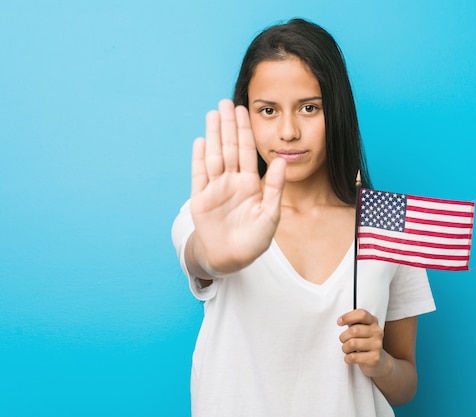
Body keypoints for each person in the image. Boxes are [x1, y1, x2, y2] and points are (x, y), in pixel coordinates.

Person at [171, 18, 435, 417]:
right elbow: (202, 257)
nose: (289, 131)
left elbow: (405, 385)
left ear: (338, 110)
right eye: (268, 110)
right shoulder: (215, 215)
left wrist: (379, 362)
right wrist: (215, 256)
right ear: (247, 116)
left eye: (309, 108)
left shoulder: (388, 221)